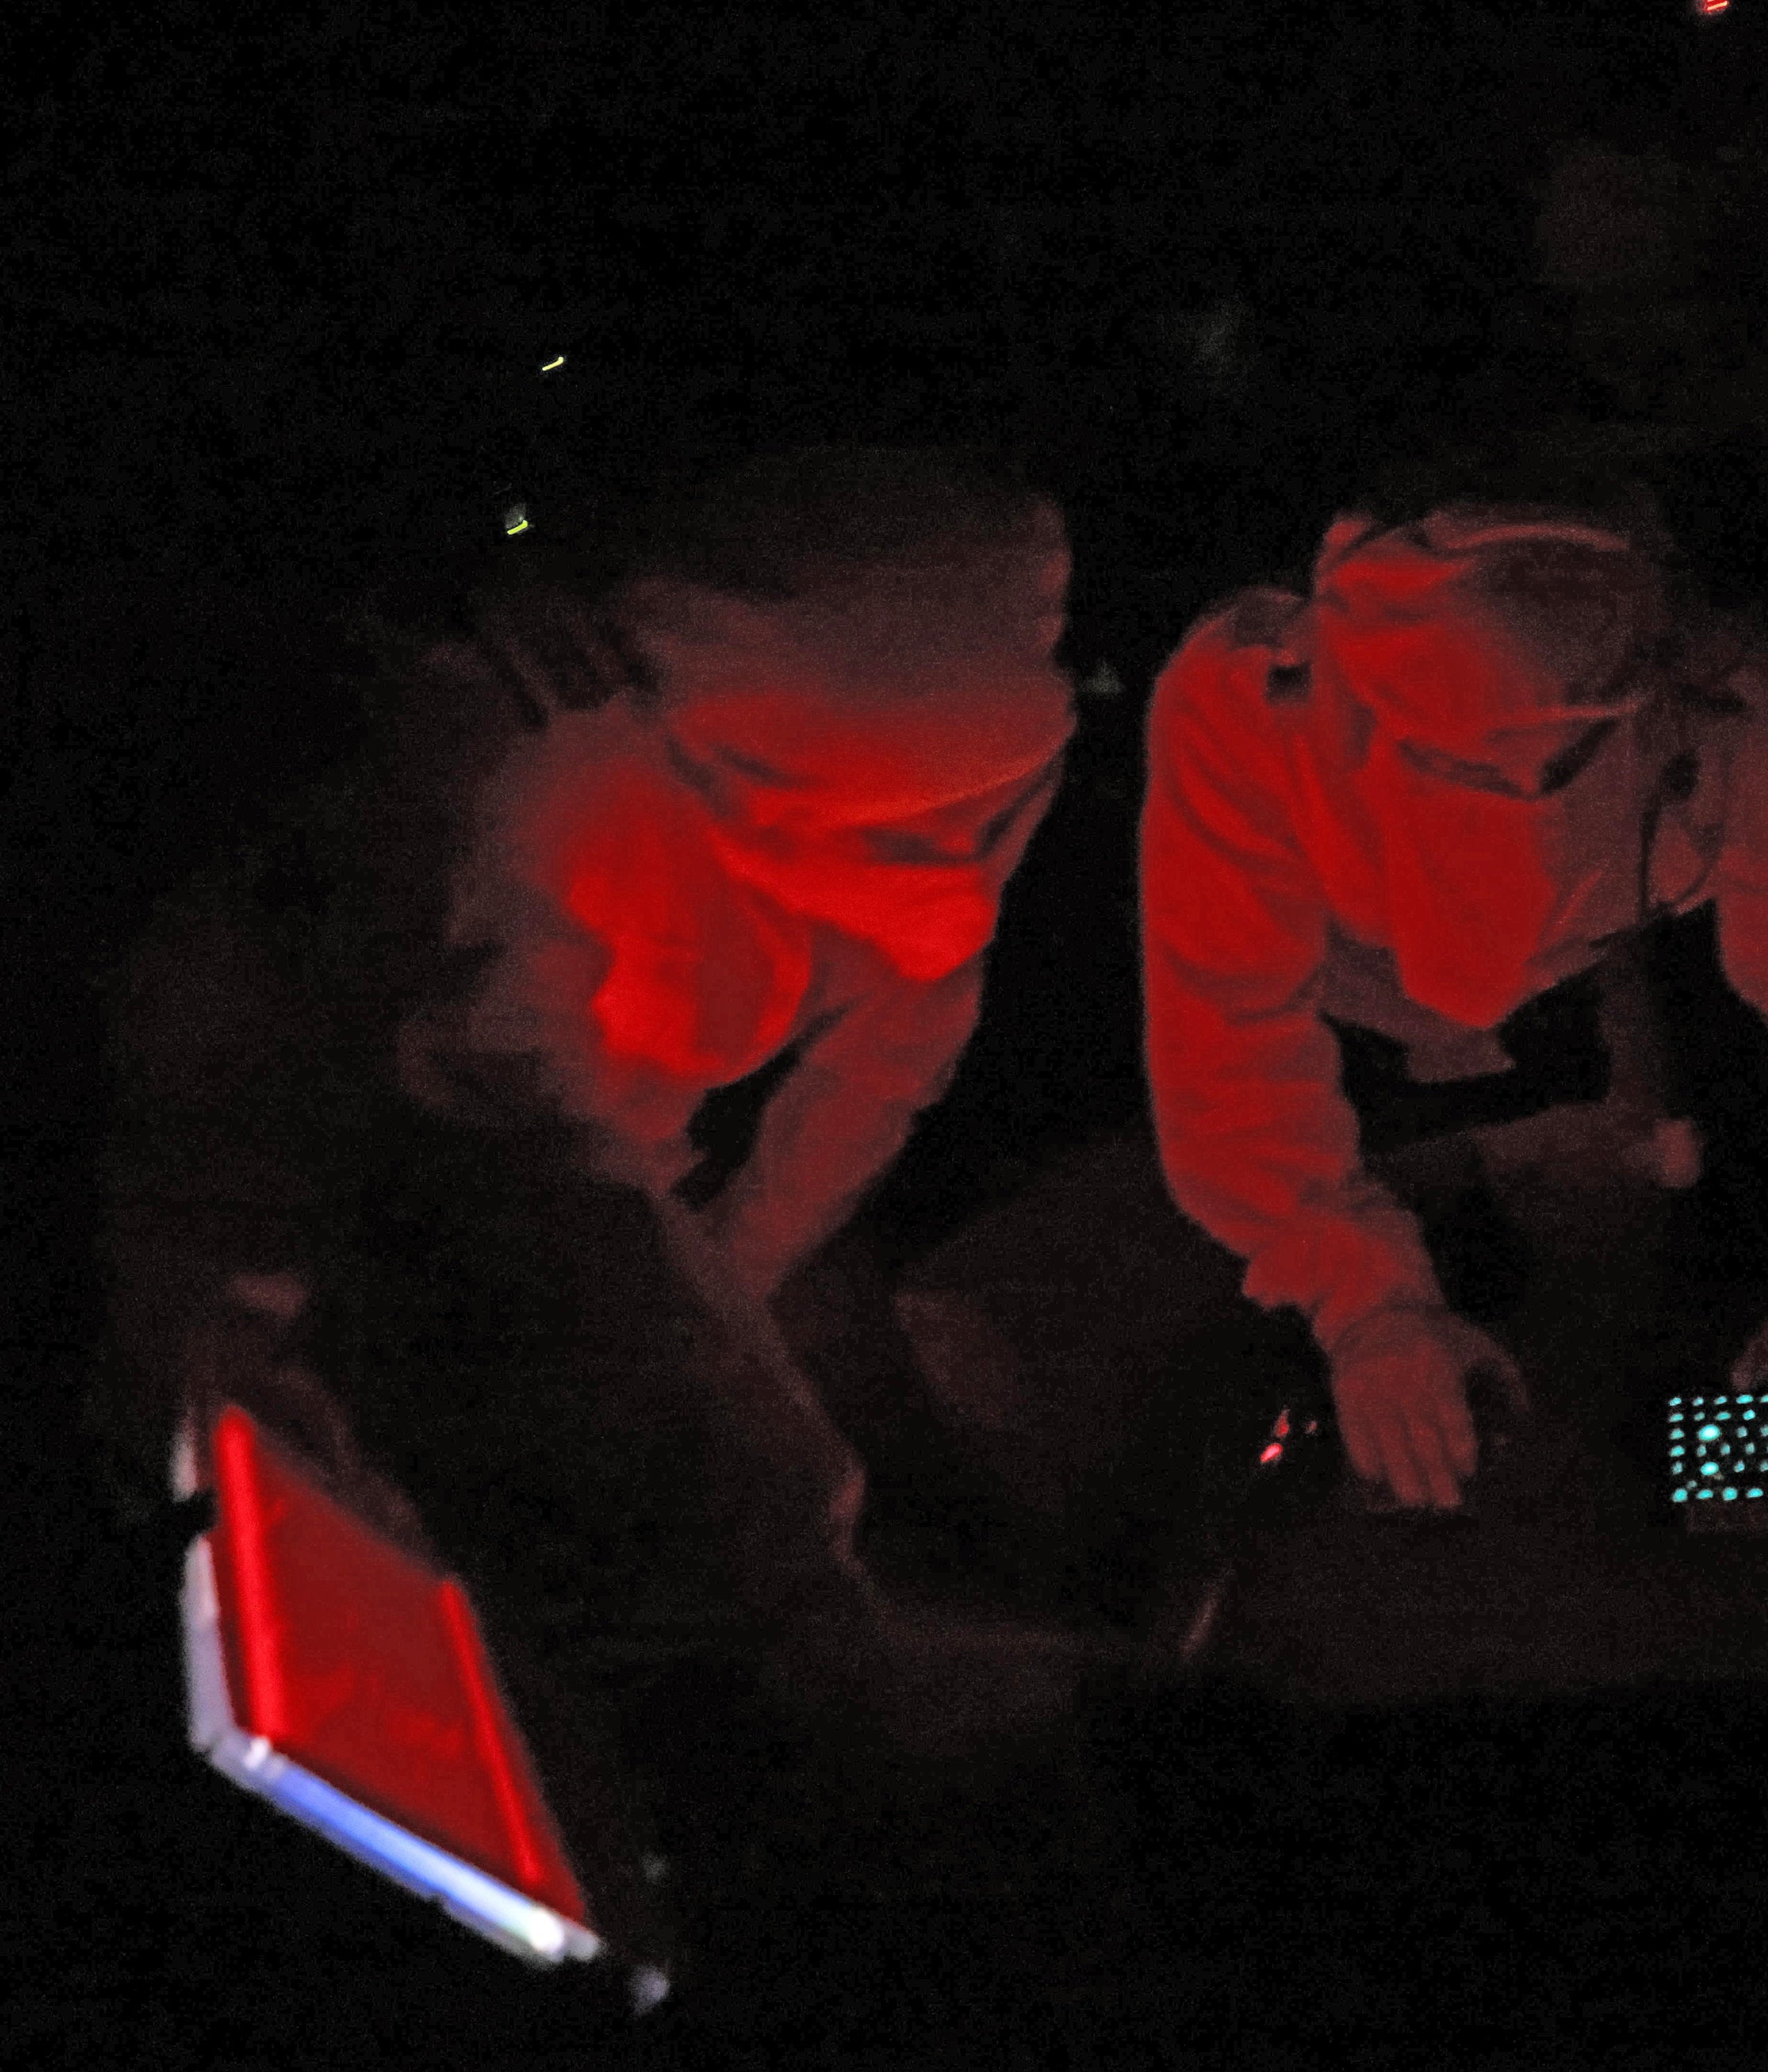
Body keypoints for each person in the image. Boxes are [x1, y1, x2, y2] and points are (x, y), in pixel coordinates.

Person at [97, 447, 1107, 1762]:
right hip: (381, 1175)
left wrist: (739, 1277)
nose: (908, 872)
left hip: (546, 1180)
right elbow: (482, 1111)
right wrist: (790, 1532)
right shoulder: (518, 770)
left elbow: (872, 1085)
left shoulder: (942, 826)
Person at [1139, 474, 1768, 1511]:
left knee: (1592, 1358)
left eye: (1560, 775)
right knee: (1332, 1404)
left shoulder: (1725, 702)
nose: (1513, 811)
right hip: (1332, 1038)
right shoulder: (1244, 706)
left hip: (1587, 1013)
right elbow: (1231, 1052)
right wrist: (1367, 1308)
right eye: (1457, 784)